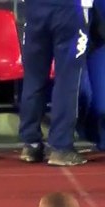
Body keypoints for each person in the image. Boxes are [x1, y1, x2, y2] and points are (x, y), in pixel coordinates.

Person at [18, 0, 90, 166]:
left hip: (35, 9)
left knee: (33, 78)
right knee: (67, 80)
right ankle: (61, 146)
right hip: (67, 9)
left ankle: (31, 143)